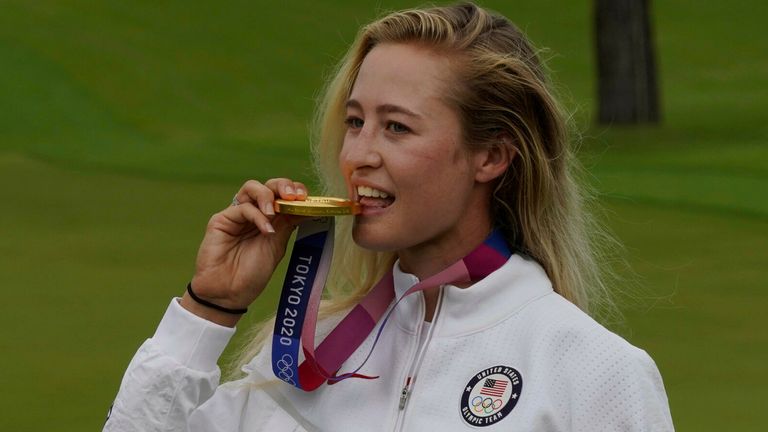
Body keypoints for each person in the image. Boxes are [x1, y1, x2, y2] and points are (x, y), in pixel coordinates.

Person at [103, 3, 674, 431]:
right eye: (355, 122)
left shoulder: (593, 371)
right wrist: (209, 310)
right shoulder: (299, 355)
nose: (357, 155)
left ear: (492, 155)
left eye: (396, 127)